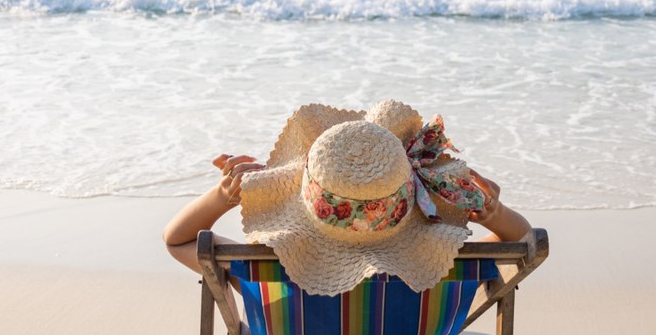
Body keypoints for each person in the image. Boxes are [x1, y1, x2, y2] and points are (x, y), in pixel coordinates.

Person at [163, 100, 530, 290]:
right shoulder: (447, 272)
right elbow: (525, 243)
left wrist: (223, 196)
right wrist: (495, 214)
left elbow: (177, 240)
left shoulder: (267, 274)